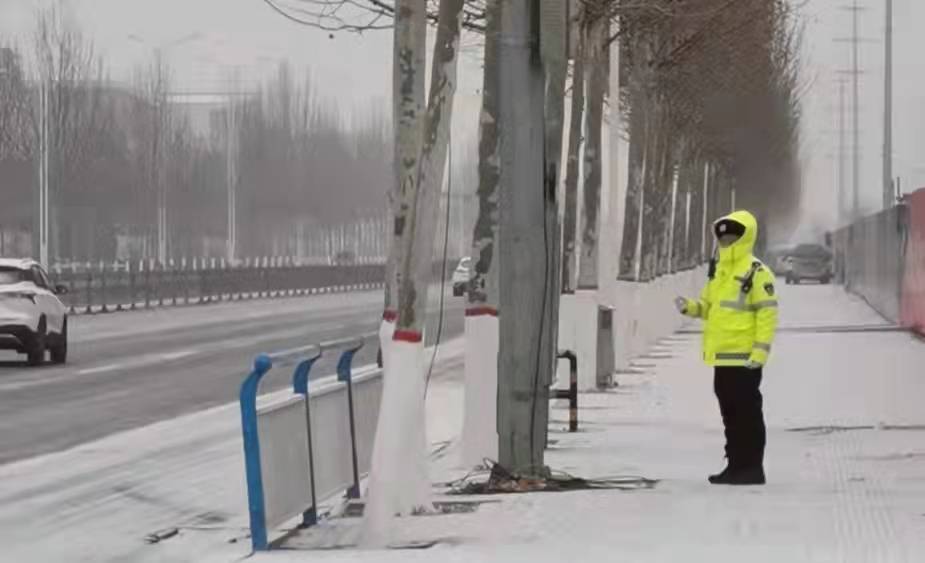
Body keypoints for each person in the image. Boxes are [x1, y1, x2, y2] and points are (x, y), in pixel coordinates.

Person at [674, 210, 778, 485]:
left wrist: (760, 352)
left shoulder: (757, 272)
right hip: (722, 357)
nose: (727, 242)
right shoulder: (719, 272)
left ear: (744, 238)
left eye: (732, 237)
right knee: (730, 414)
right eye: (724, 237)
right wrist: (690, 308)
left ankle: (752, 468)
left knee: (747, 415)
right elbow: (709, 308)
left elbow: (767, 314)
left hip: (745, 358)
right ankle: (735, 465)